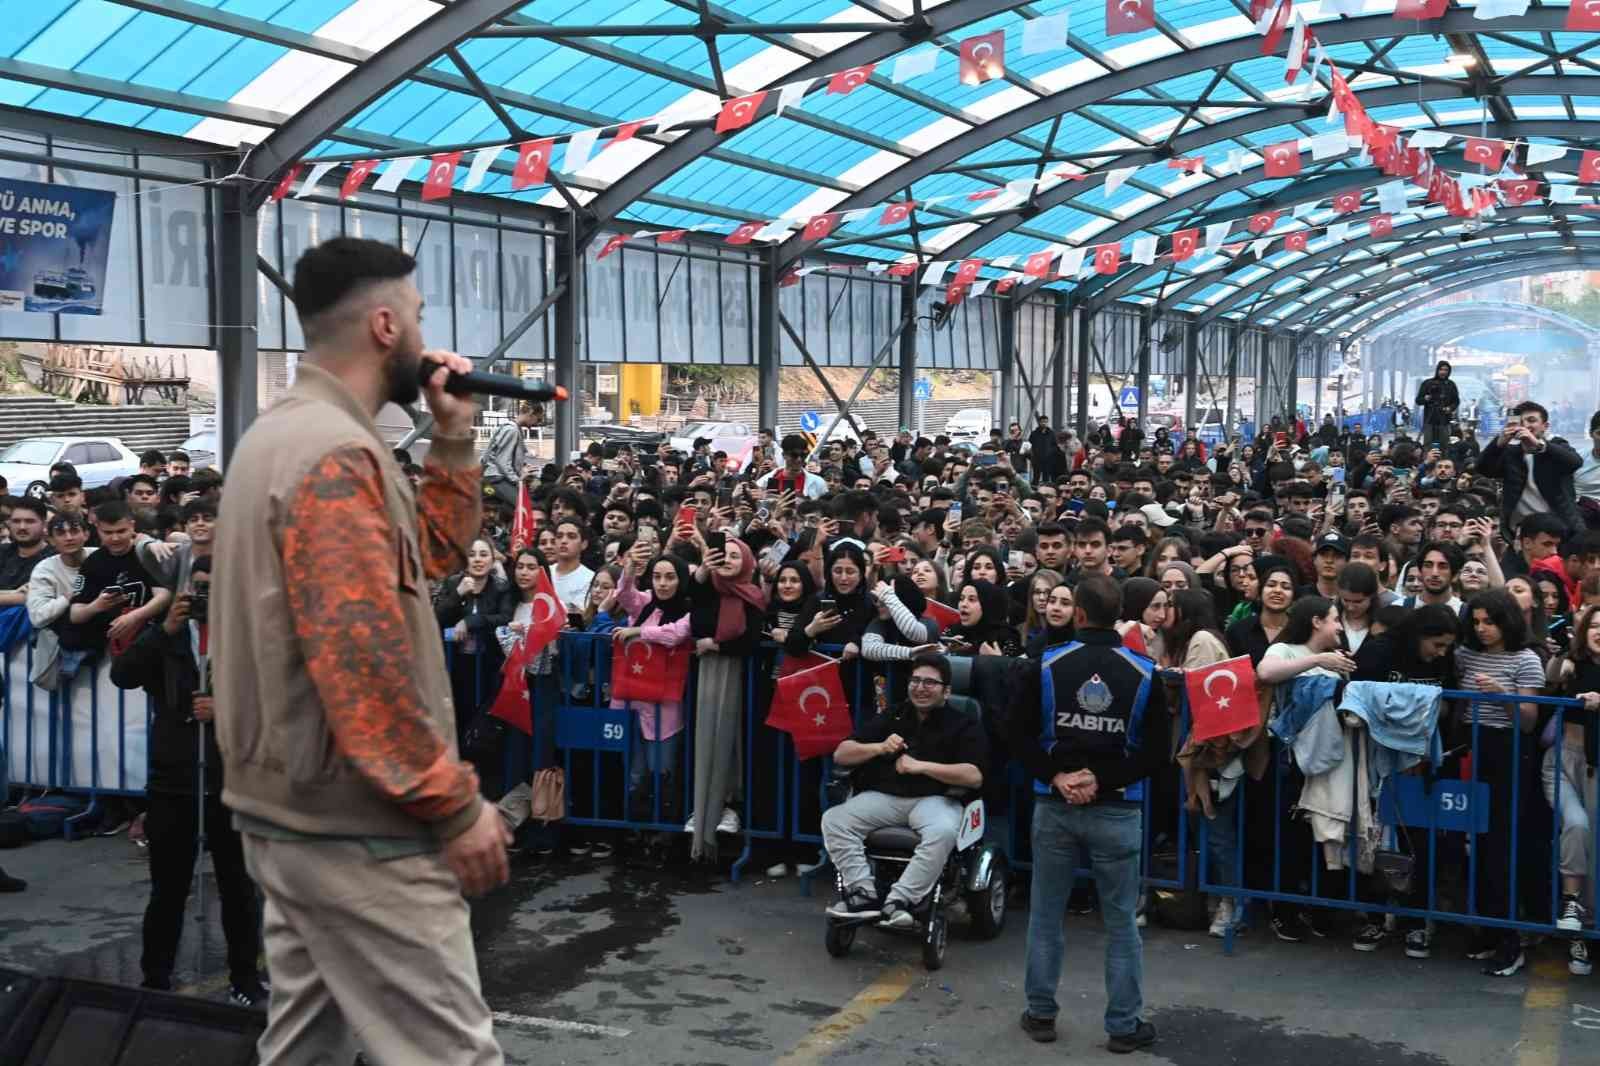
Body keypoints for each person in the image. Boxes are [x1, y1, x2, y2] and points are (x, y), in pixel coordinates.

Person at [213, 237, 509, 1066]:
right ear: (385, 324)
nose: (422, 332)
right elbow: (361, 659)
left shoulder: (281, 439)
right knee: (451, 1056)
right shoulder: (335, 456)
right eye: (416, 314)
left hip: (287, 812)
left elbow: (426, 563)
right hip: (359, 826)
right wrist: (453, 804)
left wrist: (450, 444)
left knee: (307, 1046)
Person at [1012, 574, 1167, 1054]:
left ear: (1078, 613)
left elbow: (1015, 735)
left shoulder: (1044, 665)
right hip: (1118, 809)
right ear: (1118, 614)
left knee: (1046, 914)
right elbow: (1158, 752)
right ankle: (1123, 1024)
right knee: (1120, 922)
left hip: (1054, 802)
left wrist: (1058, 776)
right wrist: (1104, 780)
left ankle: (1040, 1013)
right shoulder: (1145, 672)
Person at [109, 556, 266, 1005]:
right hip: (172, 780)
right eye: (198, 588)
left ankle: (245, 979)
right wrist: (165, 630)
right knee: (168, 889)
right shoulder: (167, 634)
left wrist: (227, 711)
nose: (204, 598)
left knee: (238, 887)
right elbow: (123, 676)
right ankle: (155, 980)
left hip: (232, 779)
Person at [822, 652, 986, 928]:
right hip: (885, 797)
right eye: (916, 680)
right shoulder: (894, 714)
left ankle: (900, 900)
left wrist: (921, 766)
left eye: (930, 683)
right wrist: (879, 747)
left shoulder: (964, 723)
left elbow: (974, 776)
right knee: (835, 820)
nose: (920, 688)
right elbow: (842, 754)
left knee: (943, 832)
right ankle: (863, 893)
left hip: (935, 799)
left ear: (946, 691)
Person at [1455, 588, 1546, 977]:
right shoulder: (1464, 654)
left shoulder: (1526, 660)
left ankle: (1510, 940)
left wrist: (1503, 693)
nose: (1482, 630)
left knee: (1500, 847)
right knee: (1471, 843)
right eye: (1476, 622)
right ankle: (1487, 931)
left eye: (1489, 622)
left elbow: (1528, 719)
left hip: (1508, 753)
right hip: (1469, 749)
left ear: (1506, 620)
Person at [1477, 401, 1583, 537]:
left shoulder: (1556, 447)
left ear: (1545, 426)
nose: (1526, 425)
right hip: (1520, 532)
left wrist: (1538, 445)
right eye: (1521, 422)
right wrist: (1498, 443)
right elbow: (1483, 469)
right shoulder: (1511, 453)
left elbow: (1575, 462)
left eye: (1531, 420)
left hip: (1559, 530)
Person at [0, 498, 51, 607]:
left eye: (29, 521)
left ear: (44, 525)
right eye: (16, 521)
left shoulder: (54, 559)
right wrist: (13, 594)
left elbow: (33, 598)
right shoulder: (3, 551)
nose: (22, 527)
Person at [482, 403, 536, 503]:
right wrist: (516, 480)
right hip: (496, 478)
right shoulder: (512, 430)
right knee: (524, 505)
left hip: (498, 477)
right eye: (538, 419)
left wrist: (522, 467)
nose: (537, 424)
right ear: (531, 413)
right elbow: (502, 460)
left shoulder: (514, 428)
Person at [1414, 360, 1460, 451]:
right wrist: (1425, 399)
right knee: (1428, 446)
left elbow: (1456, 401)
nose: (1443, 372)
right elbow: (1418, 400)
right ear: (1437, 370)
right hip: (1430, 420)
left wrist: (1449, 408)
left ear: (1449, 372)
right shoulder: (1428, 383)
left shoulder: (1451, 385)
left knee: (1444, 446)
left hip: (1444, 420)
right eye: (1441, 369)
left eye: (1446, 370)